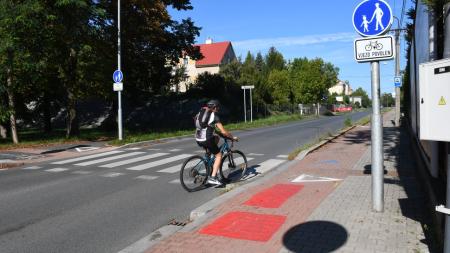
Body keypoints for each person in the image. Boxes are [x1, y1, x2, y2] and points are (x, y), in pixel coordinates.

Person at [195, 100, 238, 185]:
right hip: (206, 139)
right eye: (217, 107)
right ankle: (213, 178)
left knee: (217, 138)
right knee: (219, 155)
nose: (218, 109)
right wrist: (232, 138)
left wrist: (216, 132)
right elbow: (224, 131)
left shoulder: (202, 111)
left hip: (198, 138)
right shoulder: (214, 116)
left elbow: (209, 128)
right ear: (214, 107)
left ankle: (208, 154)